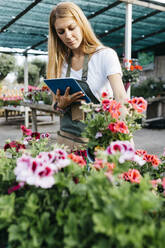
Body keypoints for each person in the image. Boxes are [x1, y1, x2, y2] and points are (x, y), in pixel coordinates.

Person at [47, 1, 128, 151]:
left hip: (96, 144)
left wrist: (126, 140)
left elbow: (121, 98)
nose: (68, 36)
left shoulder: (104, 55)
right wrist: (61, 105)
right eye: (61, 32)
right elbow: (55, 106)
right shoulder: (61, 63)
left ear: (82, 23)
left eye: (72, 28)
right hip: (66, 141)